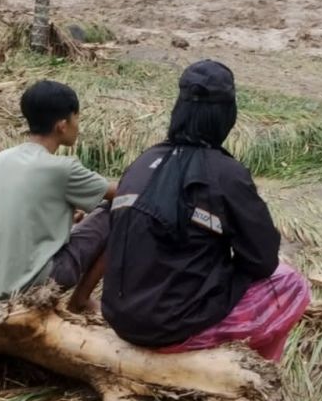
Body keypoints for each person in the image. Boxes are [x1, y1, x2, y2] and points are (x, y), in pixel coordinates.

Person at [100, 60, 310, 361]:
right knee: (291, 284)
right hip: (172, 328)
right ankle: (261, 369)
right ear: (227, 115)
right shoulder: (226, 174)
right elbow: (263, 261)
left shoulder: (143, 161)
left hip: (120, 318)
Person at [0, 80, 117, 312]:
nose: (78, 126)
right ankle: (81, 300)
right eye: (76, 119)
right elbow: (123, 192)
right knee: (117, 211)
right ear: (62, 125)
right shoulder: (62, 169)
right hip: (32, 284)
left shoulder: (1, 159)